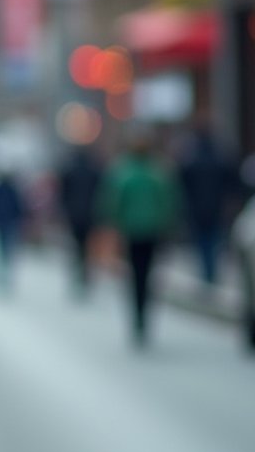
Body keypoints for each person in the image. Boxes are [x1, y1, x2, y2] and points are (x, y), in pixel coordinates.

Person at [99, 129, 181, 344]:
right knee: (148, 275)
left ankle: (138, 315)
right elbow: (168, 202)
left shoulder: (123, 171)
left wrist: (115, 226)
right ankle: (144, 314)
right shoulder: (157, 171)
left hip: (132, 232)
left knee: (135, 275)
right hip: (151, 231)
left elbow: (113, 203)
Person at [175, 117, 241, 286]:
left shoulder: (191, 157)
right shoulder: (220, 155)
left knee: (203, 241)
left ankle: (207, 272)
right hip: (216, 206)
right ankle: (211, 272)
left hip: (197, 207)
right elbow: (231, 179)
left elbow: (182, 181)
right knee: (213, 240)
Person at [57, 143, 103, 291]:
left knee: (77, 244)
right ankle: (84, 272)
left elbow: (64, 192)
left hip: (74, 214)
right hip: (89, 214)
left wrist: (64, 209)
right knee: (85, 245)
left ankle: (78, 270)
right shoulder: (94, 171)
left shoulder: (70, 170)